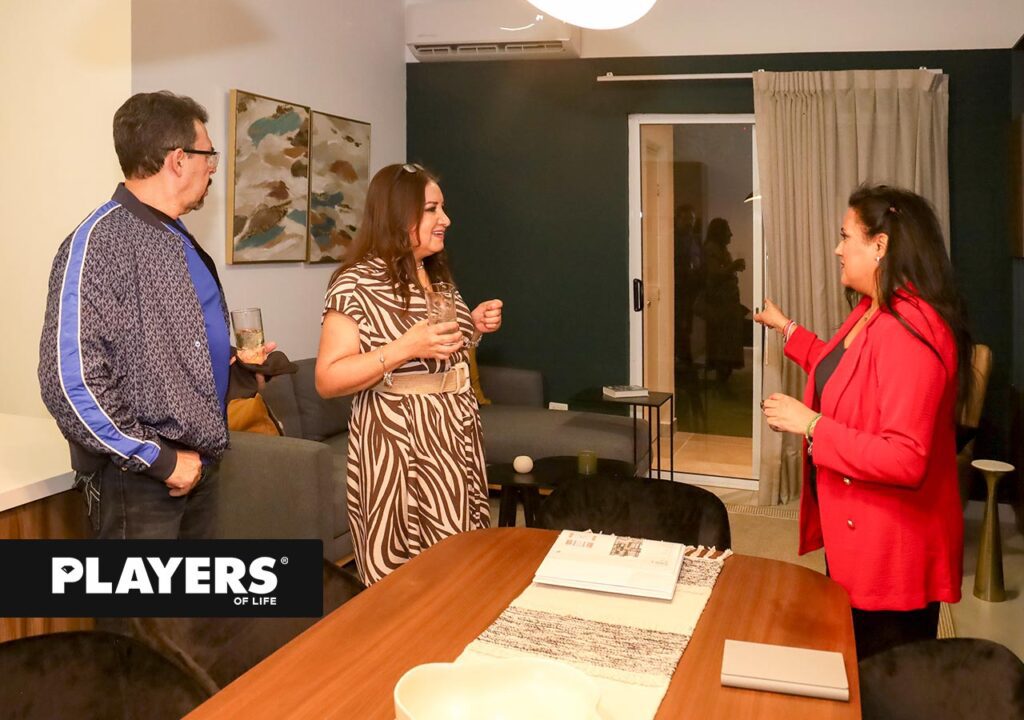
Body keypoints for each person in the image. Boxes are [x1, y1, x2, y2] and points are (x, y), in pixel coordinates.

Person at [37, 91, 267, 540]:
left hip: (200, 467)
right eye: (209, 155)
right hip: (140, 482)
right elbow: (69, 382)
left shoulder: (177, 238)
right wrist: (159, 460)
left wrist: (238, 370)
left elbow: (170, 352)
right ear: (179, 160)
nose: (213, 168)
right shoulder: (99, 244)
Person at [754, 184, 971, 659]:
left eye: (845, 236)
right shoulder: (872, 311)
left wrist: (812, 425)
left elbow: (905, 458)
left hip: (891, 553)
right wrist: (786, 327)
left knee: (885, 676)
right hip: (858, 537)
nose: (838, 249)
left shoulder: (910, 329)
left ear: (880, 245)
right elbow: (839, 369)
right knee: (853, 663)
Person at [315, 163, 503, 585]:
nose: (446, 219)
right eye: (432, 209)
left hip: (454, 430)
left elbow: (440, 350)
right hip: (400, 440)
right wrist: (405, 347)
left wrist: (473, 326)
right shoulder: (355, 283)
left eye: (442, 208)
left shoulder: (432, 273)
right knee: (409, 574)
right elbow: (328, 378)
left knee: (462, 557)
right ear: (399, 216)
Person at [703, 217, 746, 386]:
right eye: (727, 230)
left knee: (727, 342)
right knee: (723, 343)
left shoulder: (721, 250)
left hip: (727, 304)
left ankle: (724, 379)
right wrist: (733, 267)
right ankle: (721, 381)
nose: (731, 234)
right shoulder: (711, 249)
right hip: (720, 306)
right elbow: (714, 275)